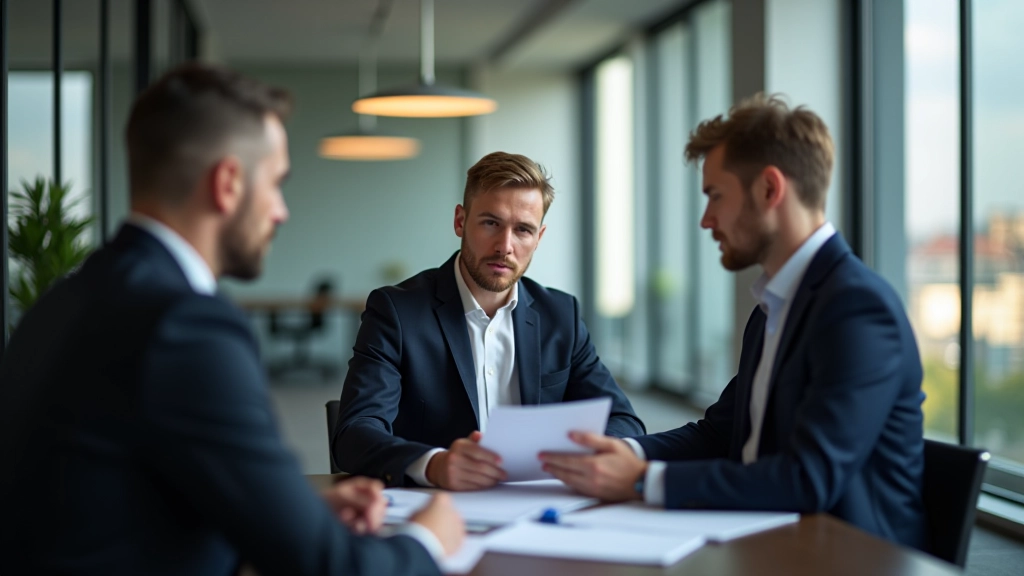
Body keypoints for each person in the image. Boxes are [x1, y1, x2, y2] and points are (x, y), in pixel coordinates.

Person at [0, 63, 462, 576]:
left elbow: (119, 506)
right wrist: (429, 539)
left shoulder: (64, 300)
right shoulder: (185, 326)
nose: (281, 211)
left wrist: (290, 514)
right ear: (227, 184)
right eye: (276, 183)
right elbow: (325, 567)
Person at [539, 94, 927, 549]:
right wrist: (625, 452)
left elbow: (809, 478)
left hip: (846, 557)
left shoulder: (857, 309)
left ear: (769, 189)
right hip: (765, 541)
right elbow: (720, 434)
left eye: (715, 196)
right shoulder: (773, 308)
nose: (706, 220)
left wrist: (644, 479)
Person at [332, 151, 645, 490]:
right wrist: (433, 464)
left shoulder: (560, 314)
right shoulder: (396, 311)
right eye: (491, 223)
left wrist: (584, 456)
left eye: (523, 230)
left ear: (538, 238)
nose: (505, 246)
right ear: (460, 221)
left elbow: (623, 421)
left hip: (540, 501)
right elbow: (354, 433)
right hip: (438, 502)